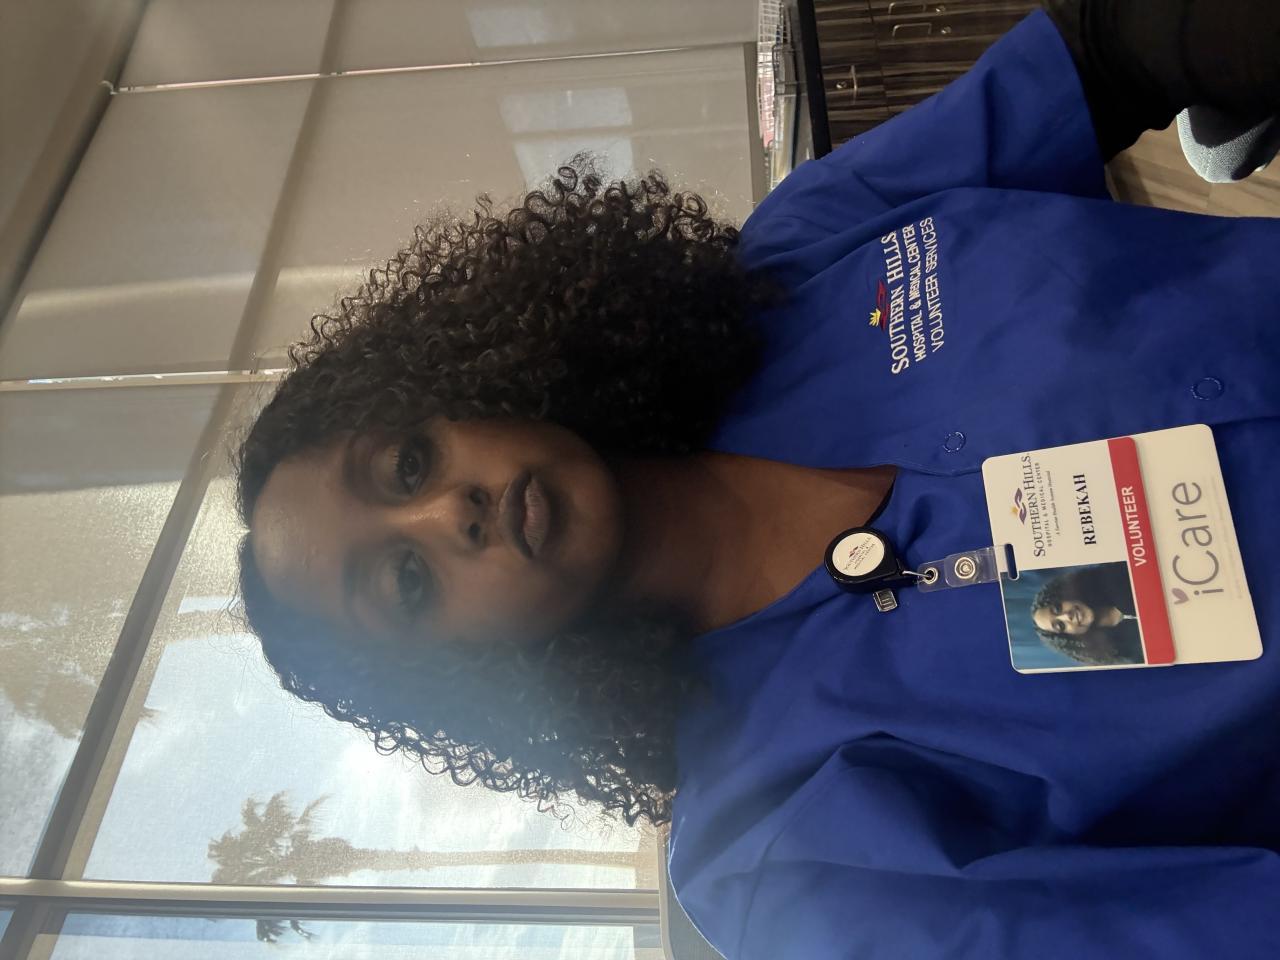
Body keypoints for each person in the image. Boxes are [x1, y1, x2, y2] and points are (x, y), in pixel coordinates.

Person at [234, 1, 1280, 957]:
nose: (448, 511)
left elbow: (1105, 56)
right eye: (407, 579)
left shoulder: (792, 258)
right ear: (460, 670)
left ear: (458, 392)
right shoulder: (774, 857)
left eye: (408, 463)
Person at [1030, 565, 1143, 665]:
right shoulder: (1123, 653)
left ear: (1063, 595)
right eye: (1060, 625)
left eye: (1057, 608)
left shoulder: (1117, 574)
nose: (1066, 616)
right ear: (1069, 636)